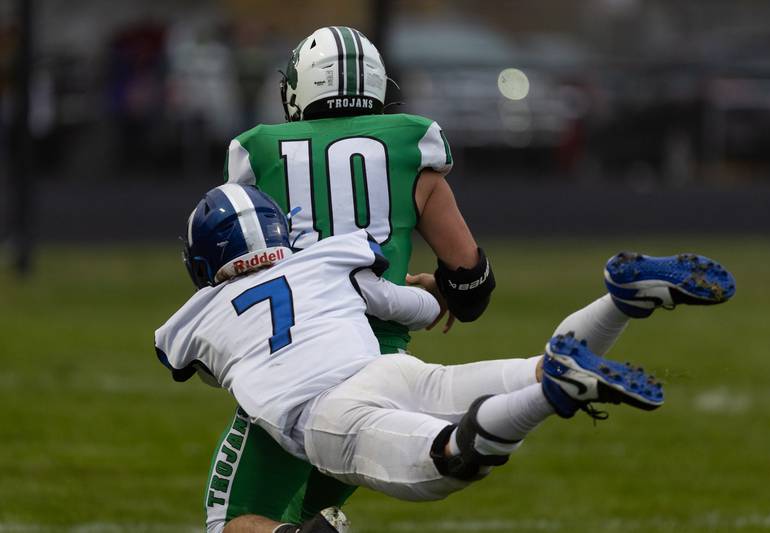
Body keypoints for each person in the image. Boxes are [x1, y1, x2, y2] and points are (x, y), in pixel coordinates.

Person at [156, 184, 736, 532]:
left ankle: (554, 392)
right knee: (536, 365)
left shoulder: (191, 321)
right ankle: (618, 302)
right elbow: (415, 307)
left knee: (453, 458)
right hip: (387, 370)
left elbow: (201, 366)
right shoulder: (326, 259)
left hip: (324, 413)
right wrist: (429, 295)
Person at [206, 26, 495, 531]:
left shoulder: (258, 150)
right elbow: (471, 285)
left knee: (235, 521)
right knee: (306, 515)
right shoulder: (411, 146)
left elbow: (245, 267)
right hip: (378, 371)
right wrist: (426, 290)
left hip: (295, 361)